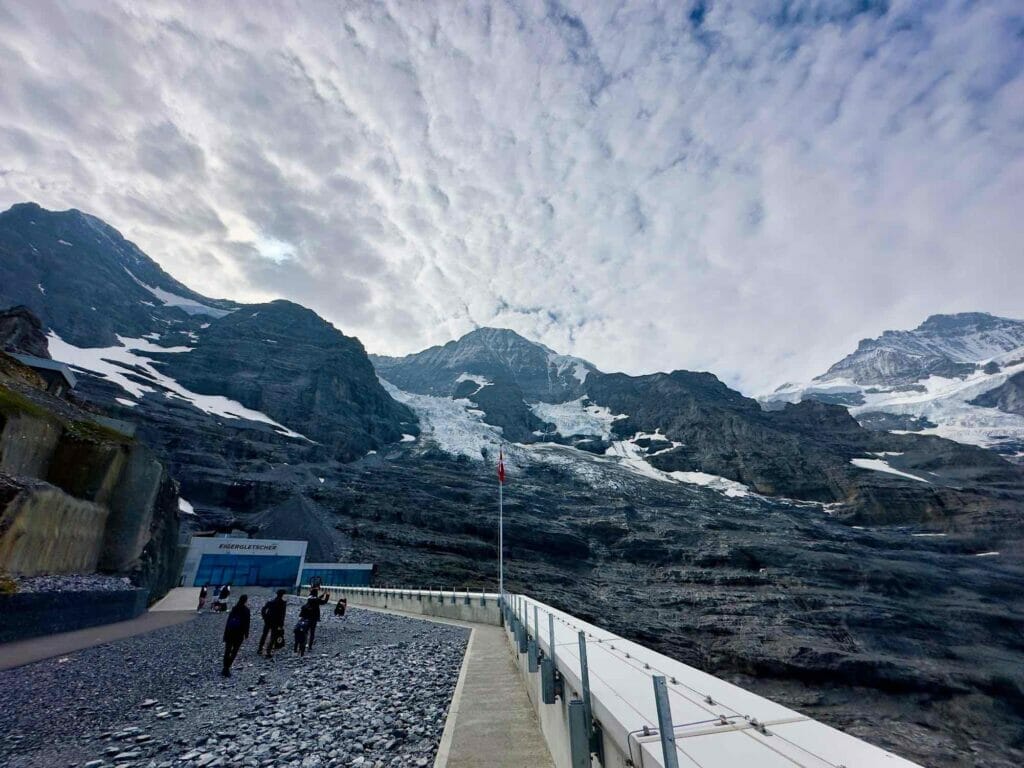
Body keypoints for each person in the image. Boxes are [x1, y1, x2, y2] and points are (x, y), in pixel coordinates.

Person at [221, 594, 250, 677]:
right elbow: (247, 623)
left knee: (228, 650)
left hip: (230, 632)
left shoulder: (234, 608)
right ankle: (228, 667)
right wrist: (246, 634)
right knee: (234, 651)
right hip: (239, 634)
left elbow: (229, 621)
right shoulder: (246, 610)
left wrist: (225, 633)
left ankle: (225, 667)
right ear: (245, 601)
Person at [257, 589, 289, 658]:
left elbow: (263, 609)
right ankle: (268, 652)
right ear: (282, 595)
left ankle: (260, 649)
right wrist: (281, 624)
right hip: (276, 622)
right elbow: (282, 615)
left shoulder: (271, 602)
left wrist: (265, 617)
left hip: (268, 620)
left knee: (264, 635)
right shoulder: (283, 603)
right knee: (273, 637)